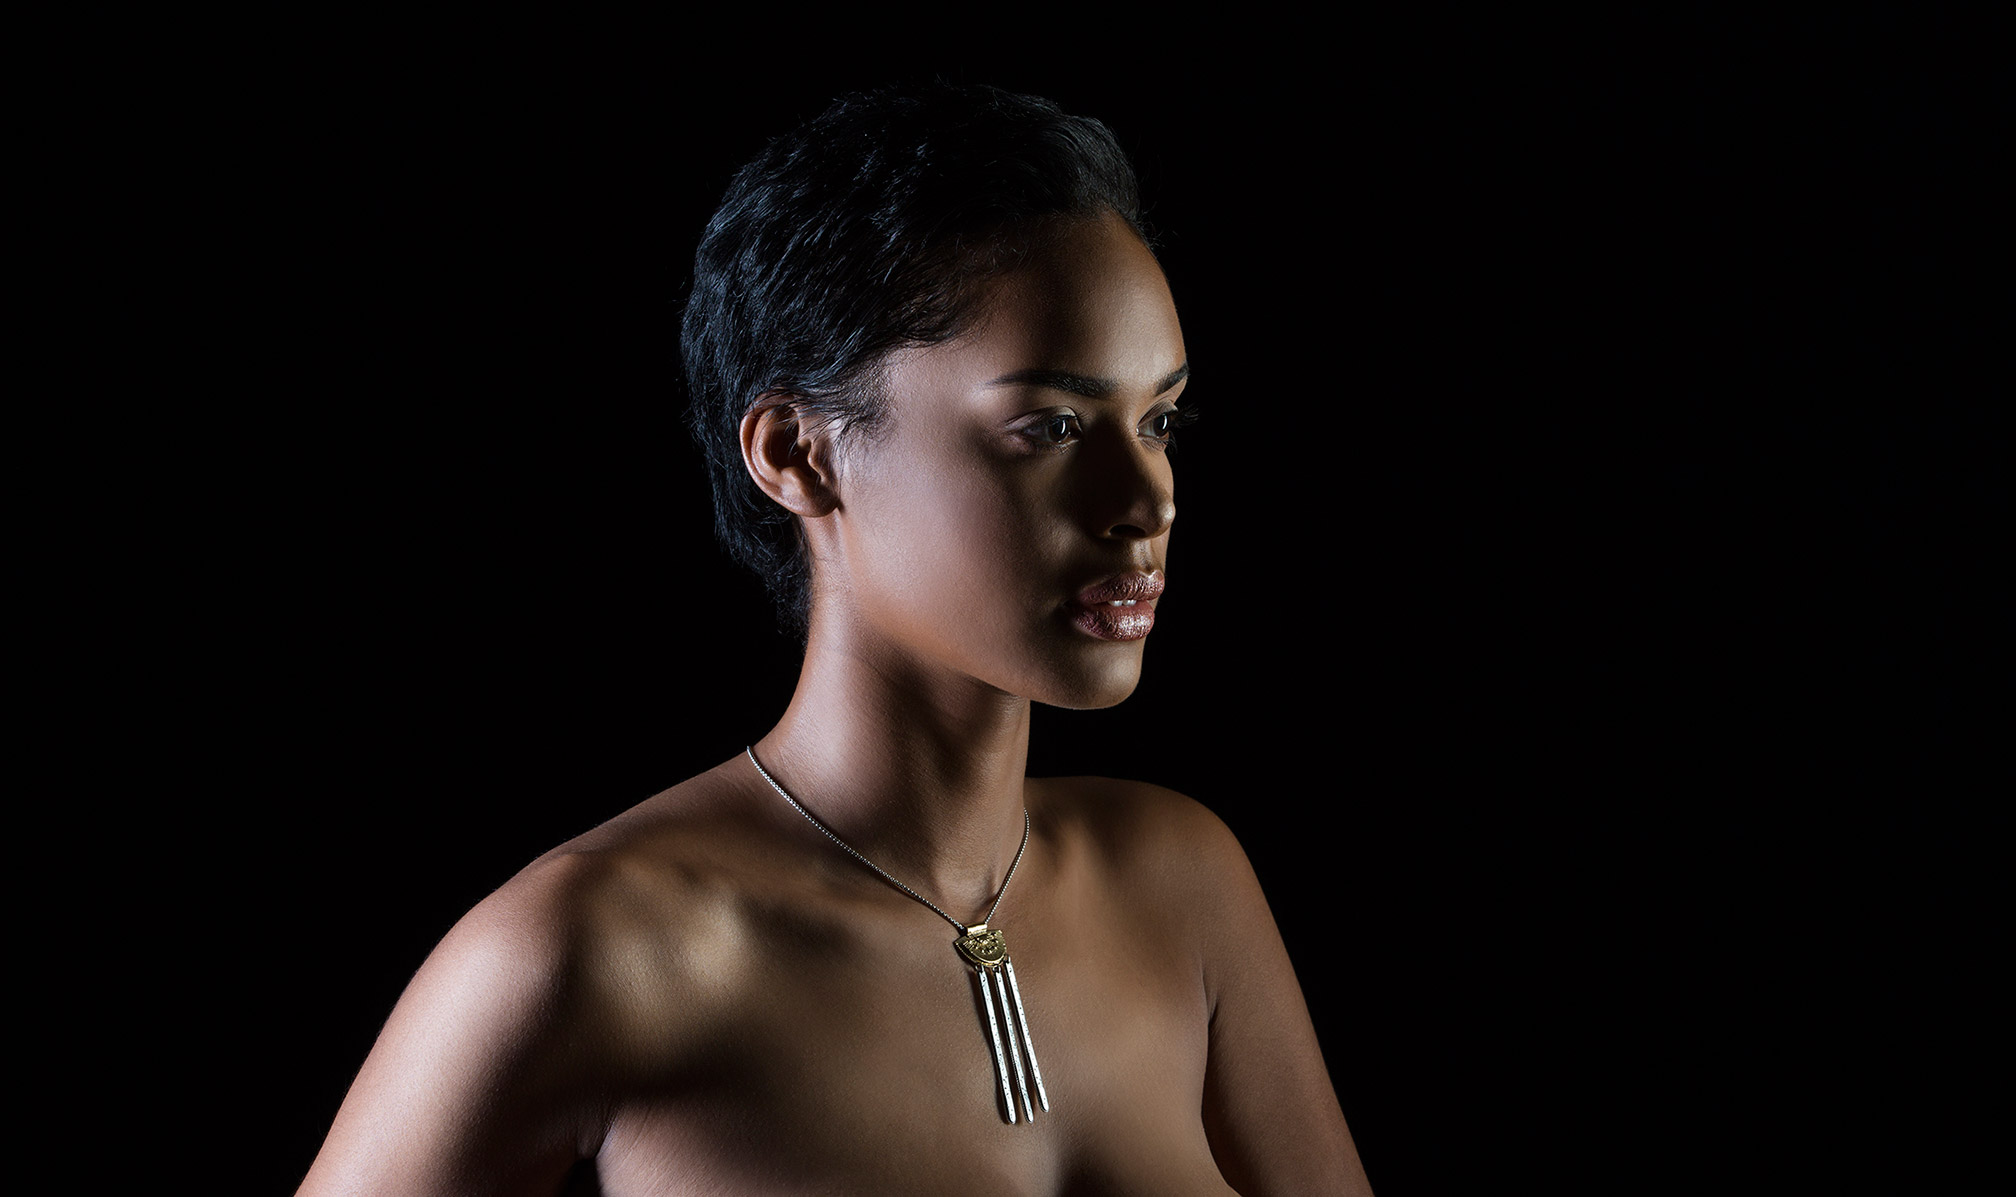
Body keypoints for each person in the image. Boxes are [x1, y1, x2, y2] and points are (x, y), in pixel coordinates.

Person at [299, 82, 1372, 1196]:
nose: (1148, 501)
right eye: (1051, 426)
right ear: (797, 454)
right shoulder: (594, 953)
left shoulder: (1182, 886)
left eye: (1158, 422)